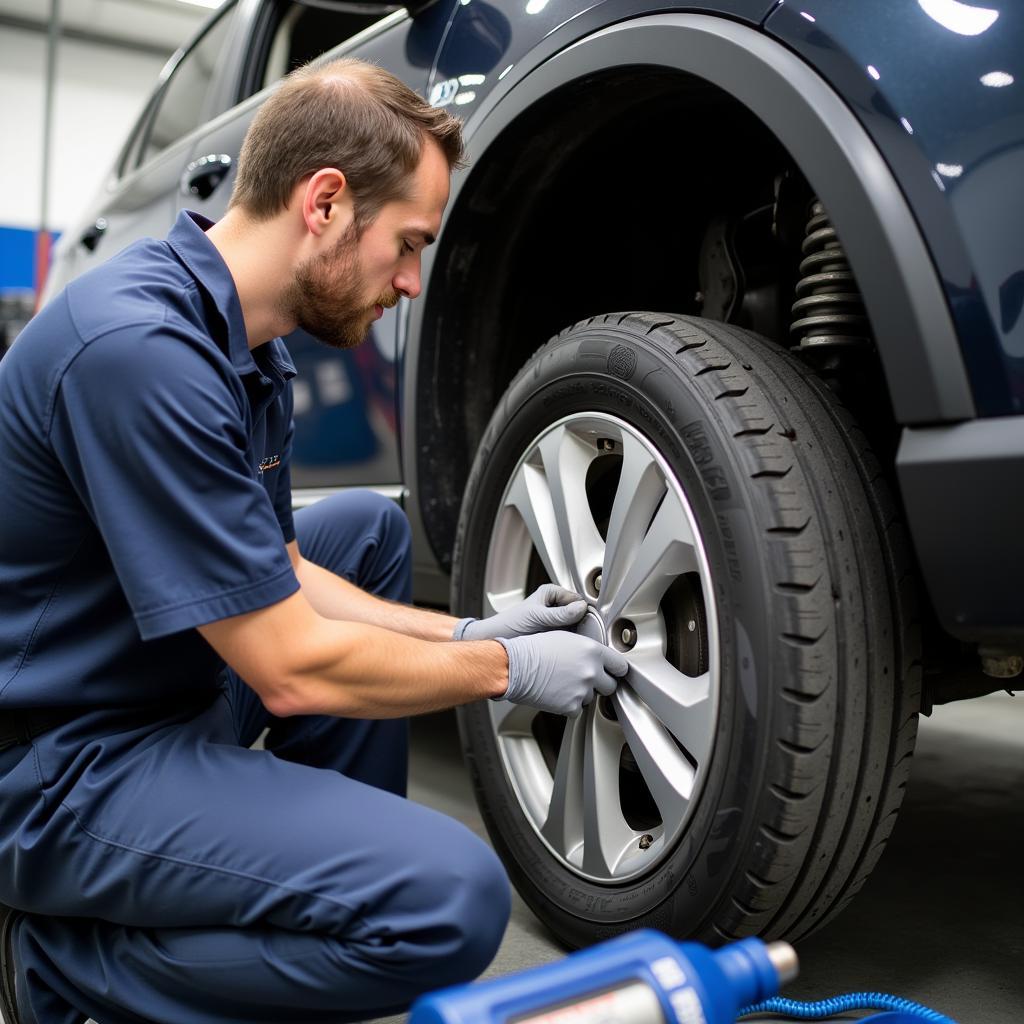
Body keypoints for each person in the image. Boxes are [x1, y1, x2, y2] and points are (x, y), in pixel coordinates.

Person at [0, 58, 629, 1024]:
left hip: (164, 685)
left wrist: (461, 631)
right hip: (60, 770)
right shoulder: (136, 352)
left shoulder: (251, 346)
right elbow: (290, 667)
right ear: (325, 202)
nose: (413, 282)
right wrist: (506, 668)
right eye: (408, 243)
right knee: (447, 903)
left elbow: (285, 571)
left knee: (366, 531)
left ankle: (280, 917)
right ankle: (57, 963)